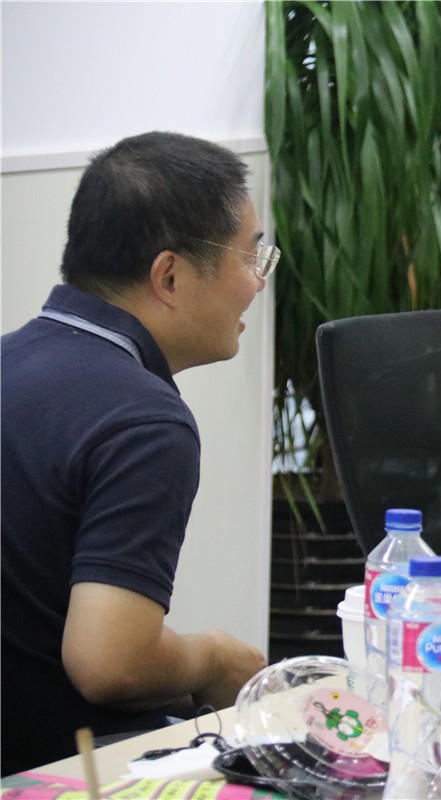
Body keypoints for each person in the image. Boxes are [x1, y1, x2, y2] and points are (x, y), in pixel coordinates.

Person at [1, 132, 276, 775]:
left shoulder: (11, 360)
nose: (256, 283)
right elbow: (110, 663)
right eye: (250, 256)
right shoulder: (144, 421)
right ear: (169, 276)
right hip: (53, 772)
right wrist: (215, 658)